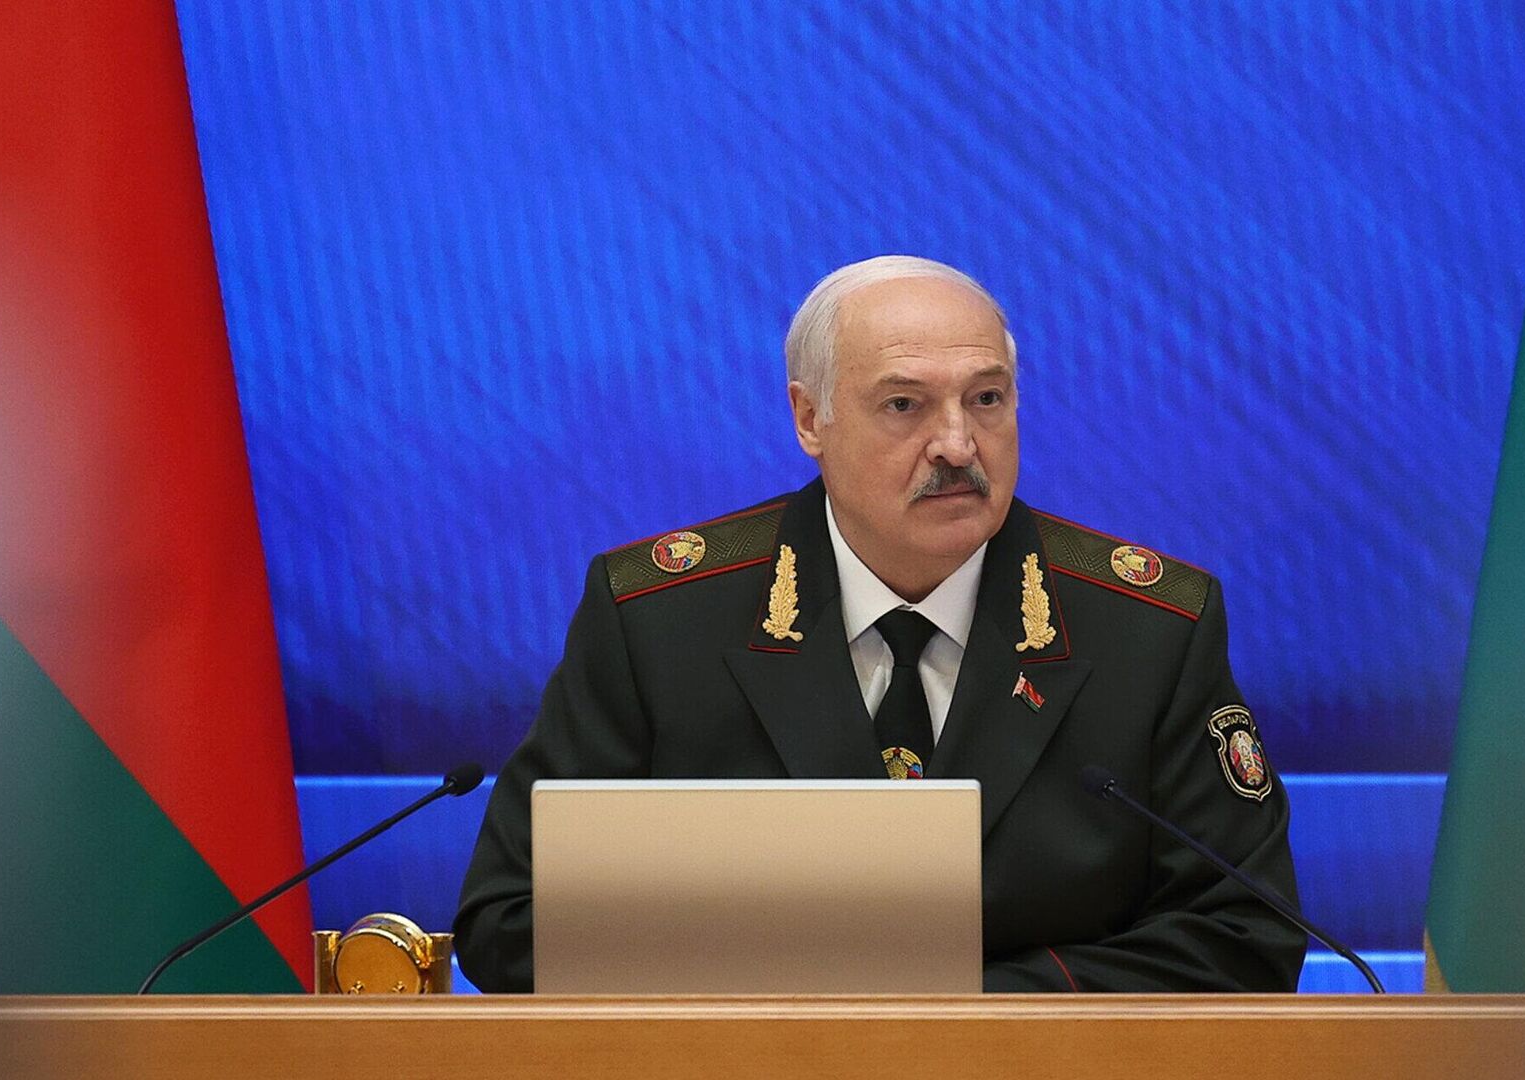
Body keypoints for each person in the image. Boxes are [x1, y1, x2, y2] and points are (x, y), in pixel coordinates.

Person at [455, 256, 1304, 992]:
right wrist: (805, 1023)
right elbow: (510, 919)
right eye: (904, 405)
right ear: (809, 419)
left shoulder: (1148, 629)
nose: (957, 445)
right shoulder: (659, 621)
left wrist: (960, 1018)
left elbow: (1245, 931)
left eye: (987, 399)